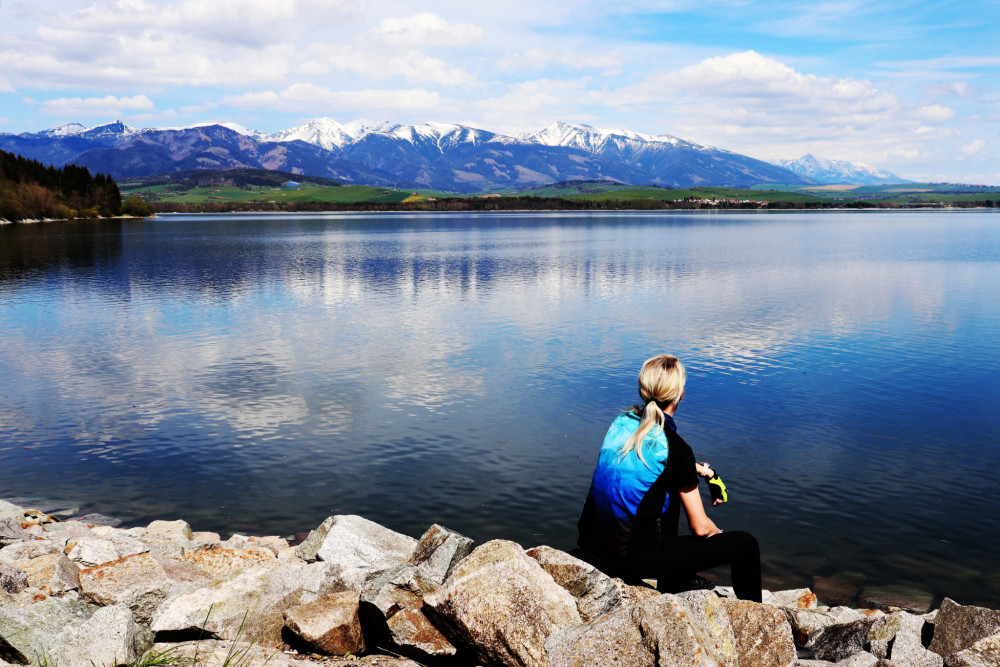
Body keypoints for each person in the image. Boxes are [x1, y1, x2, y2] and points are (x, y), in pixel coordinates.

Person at [577, 354, 762, 601]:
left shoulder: (621, 423)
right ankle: (755, 616)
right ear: (680, 394)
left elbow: (651, 459)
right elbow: (700, 527)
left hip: (592, 546)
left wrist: (703, 471)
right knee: (746, 545)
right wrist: (718, 536)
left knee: (665, 488)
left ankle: (675, 579)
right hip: (629, 559)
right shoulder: (676, 448)